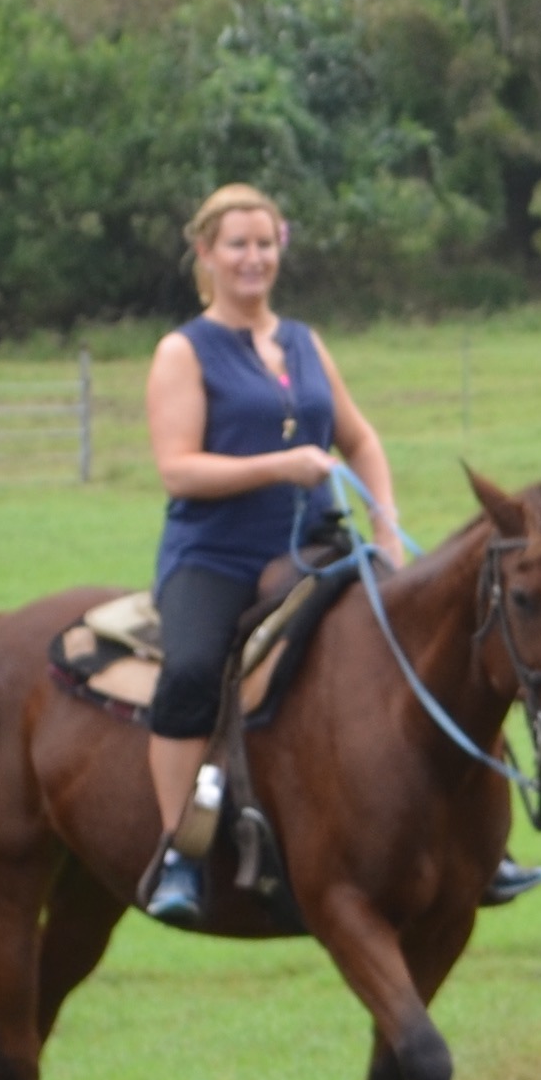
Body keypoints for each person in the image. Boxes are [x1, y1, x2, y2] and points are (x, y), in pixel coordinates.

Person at [137, 185, 405, 930]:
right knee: (190, 671)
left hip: (316, 546)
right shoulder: (182, 351)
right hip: (214, 553)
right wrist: (279, 466)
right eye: (237, 245)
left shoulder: (305, 342)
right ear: (206, 255)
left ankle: (462, 838)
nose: (253, 258)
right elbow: (178, 469)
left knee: (418, 642)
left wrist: (386, 531)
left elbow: (363, 439)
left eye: (265, 243)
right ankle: (180, 852)